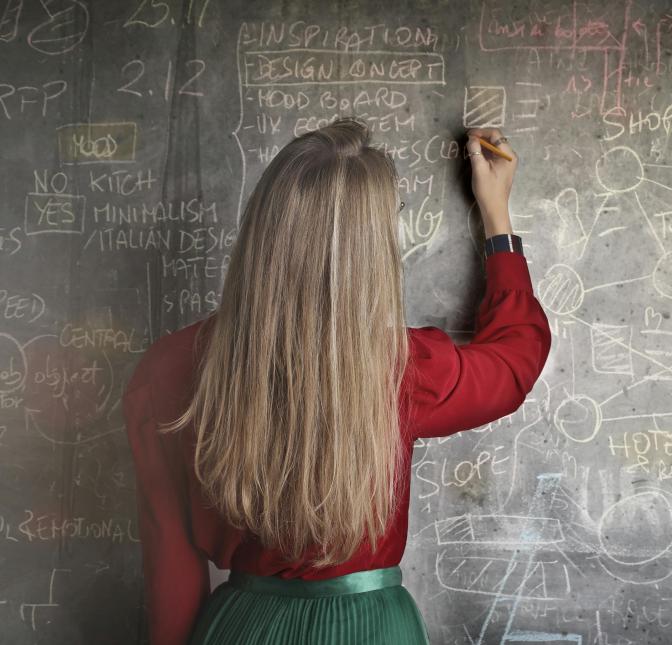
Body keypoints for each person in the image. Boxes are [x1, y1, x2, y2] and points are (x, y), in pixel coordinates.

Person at [120, 118, 551, 644]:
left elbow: (172, 570)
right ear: (373, 250)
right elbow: (514, 360)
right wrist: (497, 219)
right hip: (370, 629)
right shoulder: (406, 367)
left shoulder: (167, 370)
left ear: (263, 226)